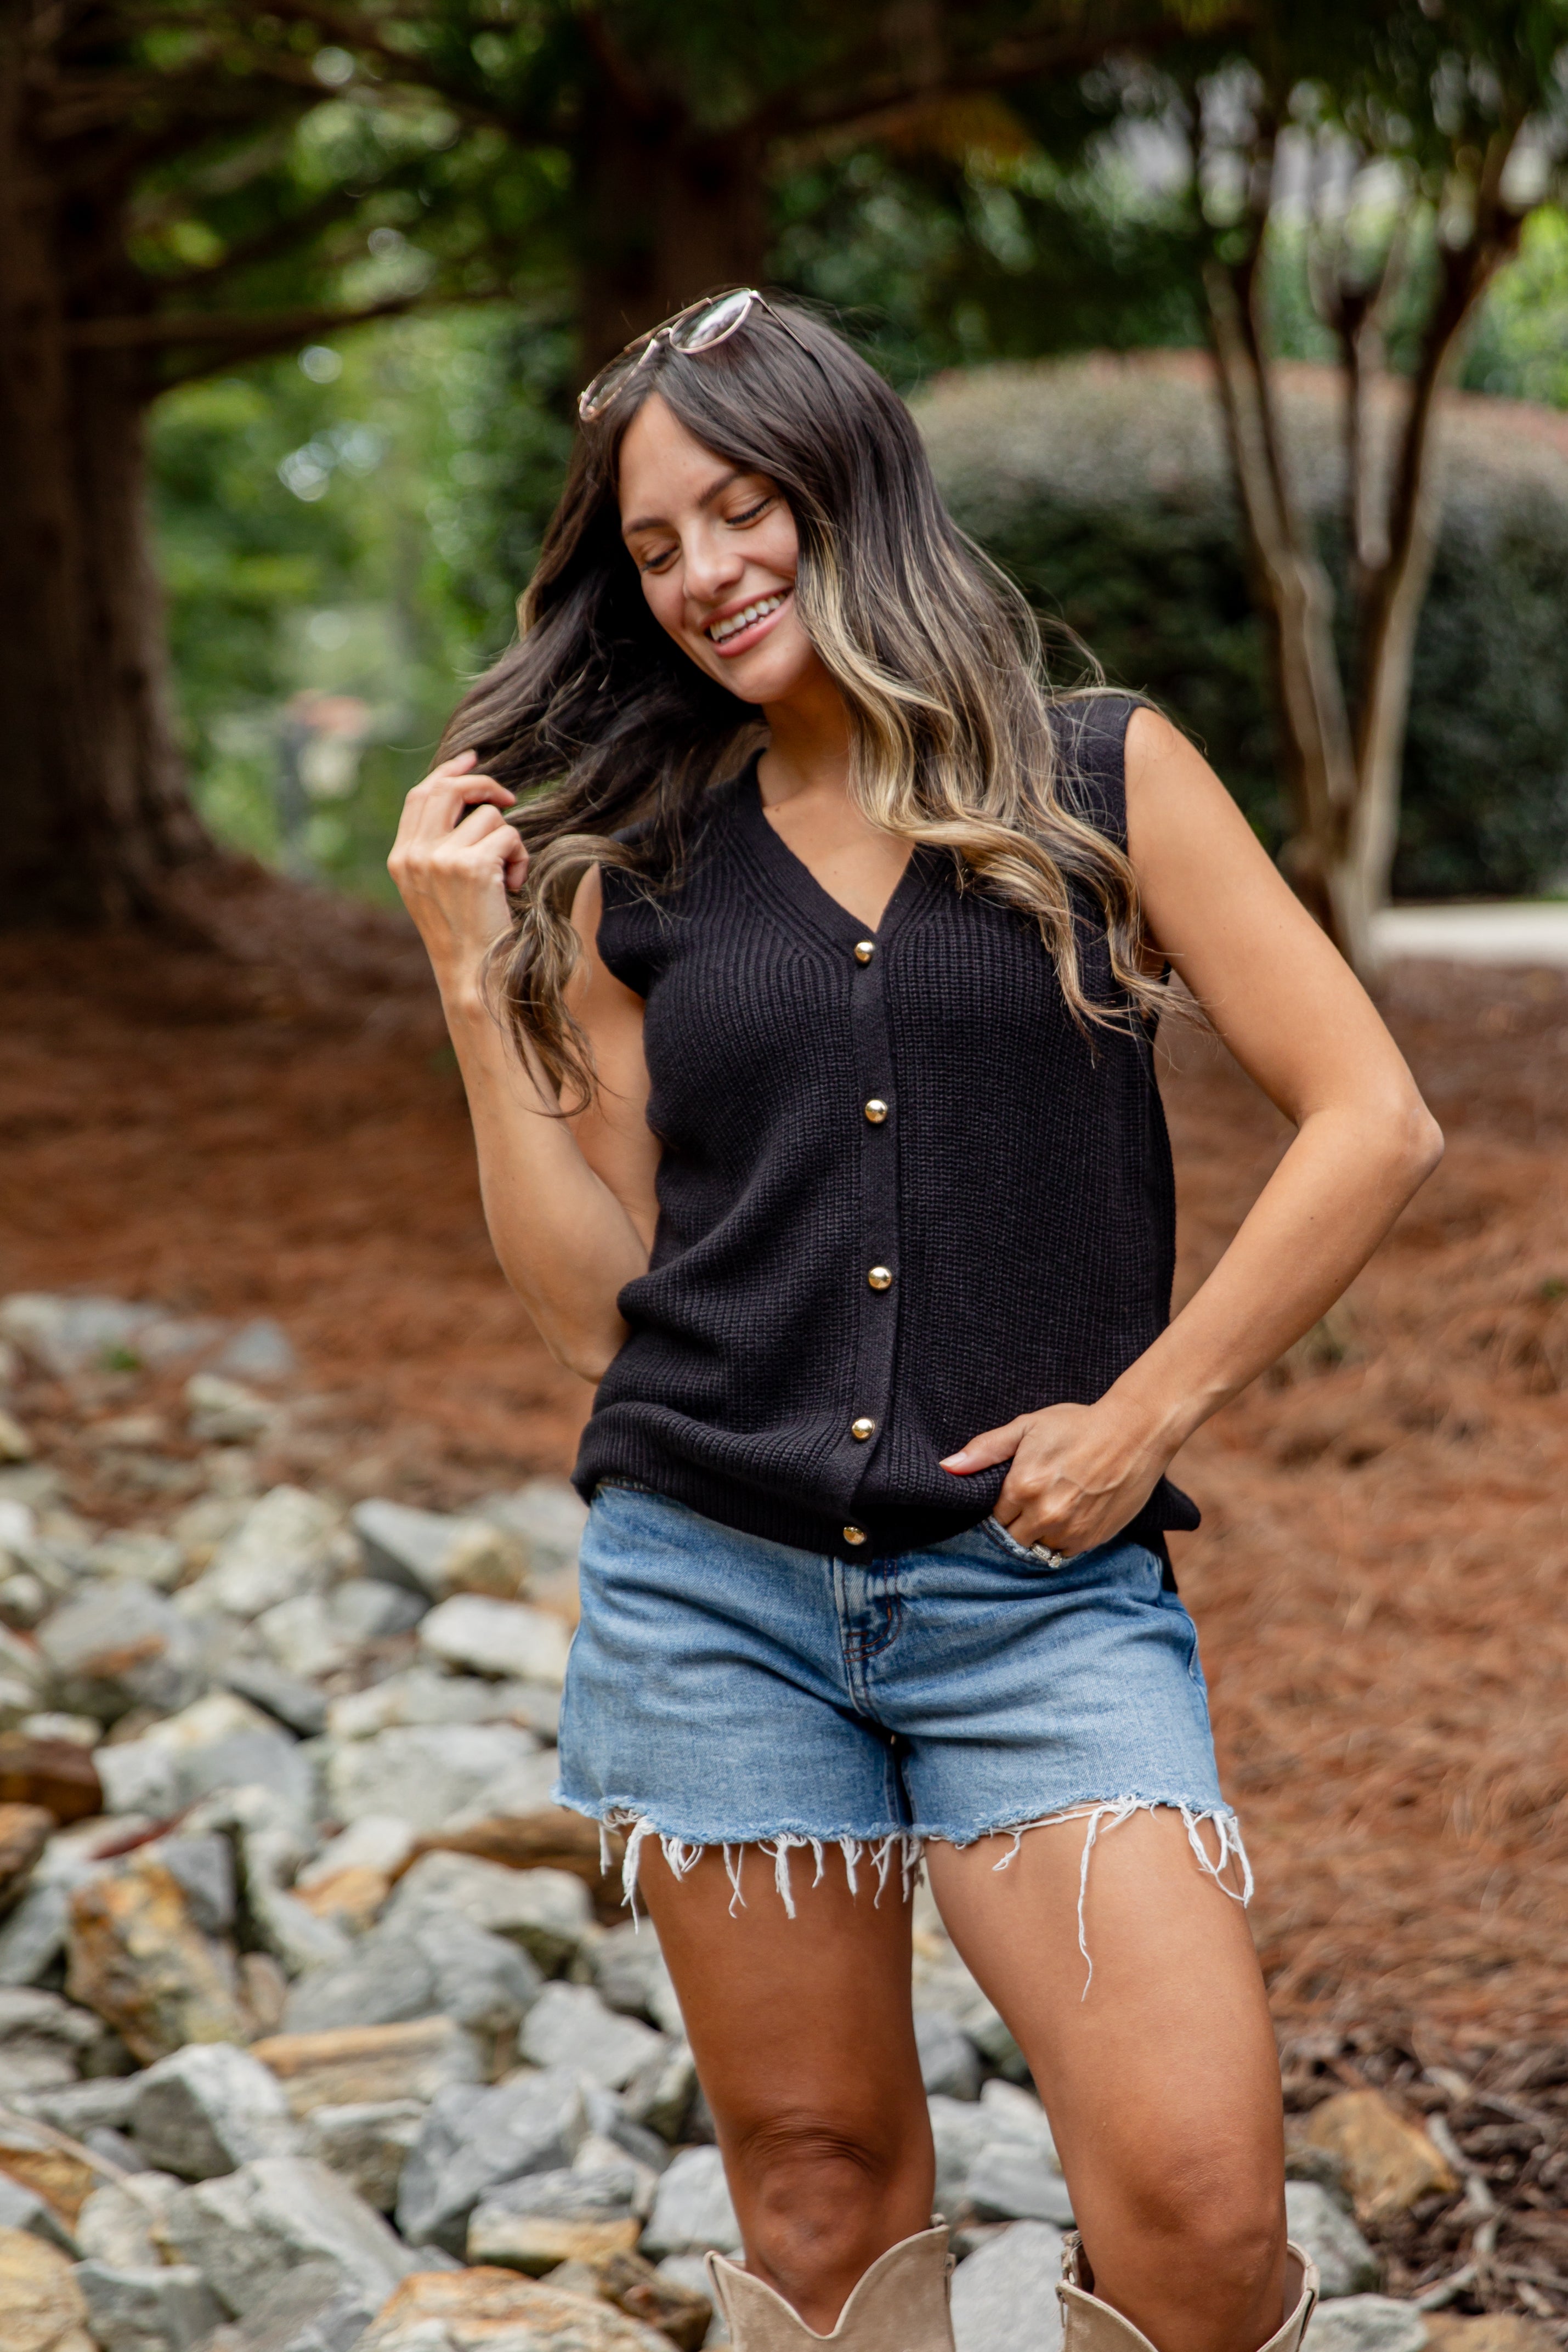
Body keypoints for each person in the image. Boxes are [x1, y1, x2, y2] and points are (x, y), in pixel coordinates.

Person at [388, 290, 1442, 2352]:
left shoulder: (1095, 771)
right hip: (711, 1594)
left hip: (1037, 1605)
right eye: (654, 546)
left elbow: (1369, 1117)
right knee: (812, 2194)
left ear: (847, 481)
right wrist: (467, 987)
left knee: (1201, 2213)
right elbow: (603, 1317)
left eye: (740, 507)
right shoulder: (636, 869)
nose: (702, 573)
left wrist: (1144, 1413)